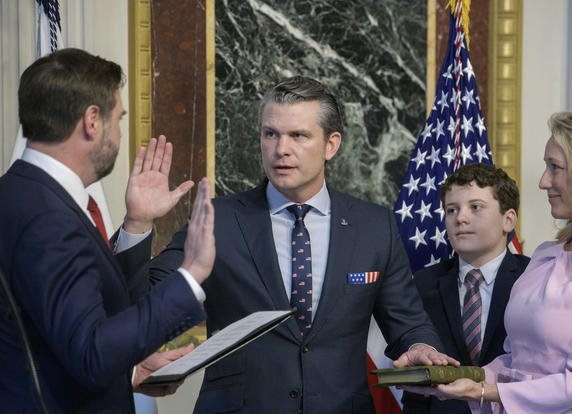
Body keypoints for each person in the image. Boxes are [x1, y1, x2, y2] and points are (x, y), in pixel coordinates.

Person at [142, 76, 458, 414]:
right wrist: (138, 224)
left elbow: (407, 322)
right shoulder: (219, 218)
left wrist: (423, 347)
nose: (281, 149)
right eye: (271, 134)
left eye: (299, 135)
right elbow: (147, 296)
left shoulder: (374, 226)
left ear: (331, 145)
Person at [0, 48, 216, 413]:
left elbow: (53, 343)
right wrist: (190, 276)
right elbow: (92, 353)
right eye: (118, 119)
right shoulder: (48, 218)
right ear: (92, 120)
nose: (118, 133)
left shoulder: (19, 193)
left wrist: (137, 223)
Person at [404, 111, 572, 413]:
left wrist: (484, 391)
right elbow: (514, 359)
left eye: (554, 167)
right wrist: (458, 379)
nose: (544, 181)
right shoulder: (547, 254)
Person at [402, 163, 530, 414]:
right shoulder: (423, 283)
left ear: (508, 219)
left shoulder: (533, 278)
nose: (460, 217)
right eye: (452, 210)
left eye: (475, 207)